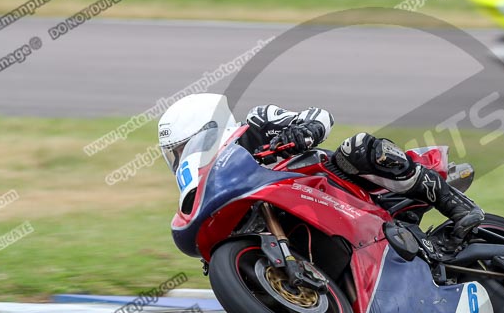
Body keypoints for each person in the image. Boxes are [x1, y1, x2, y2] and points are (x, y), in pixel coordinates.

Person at [157, 94, 484, 241]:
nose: (184, 156)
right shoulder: (212, 183)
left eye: (184, 147)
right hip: (302, 216)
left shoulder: (257, 123)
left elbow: (320, 115)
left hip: (337, 184)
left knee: (356, 147)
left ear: (209, 127)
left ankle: (454, 203)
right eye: (177, 153)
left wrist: (305, 131)